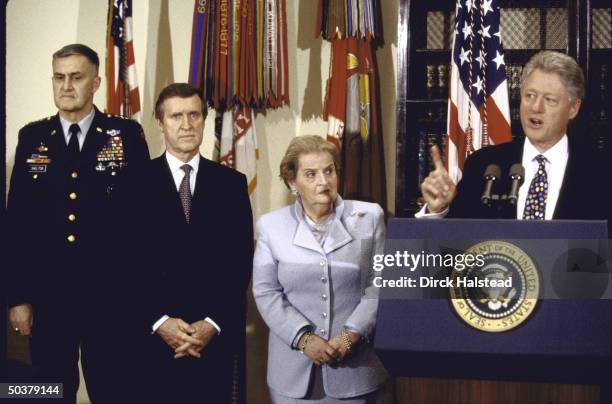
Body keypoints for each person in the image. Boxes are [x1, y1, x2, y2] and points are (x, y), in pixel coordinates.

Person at [6, 44, 150, 403]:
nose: (66, 85)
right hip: (48, 298)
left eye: (76, 77)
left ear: (96, 82)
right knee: (47, 391)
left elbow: (143, 223)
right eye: (59, 77)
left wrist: (139, 297)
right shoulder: (32, 138)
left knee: (115, 390)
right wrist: (18, 297)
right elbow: (17, 224)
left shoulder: (125, 136)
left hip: (111, 299)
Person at [131, 83, 253, 403]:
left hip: (211, 339)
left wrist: (212, 323)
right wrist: (160, 322)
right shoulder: (133, 183)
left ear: (204, 118)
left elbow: (239, 263)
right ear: (160, 122)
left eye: (194, 115)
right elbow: (123, 264)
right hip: (152, 339)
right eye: (176, 116)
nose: (186, 125)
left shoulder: (231, 184)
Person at [252, 135, 388, 403]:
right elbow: (266, 291)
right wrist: (303, 340)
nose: (323, 182)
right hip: (291, 375)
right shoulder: (271, 226)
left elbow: (379, 283)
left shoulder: (368, 218)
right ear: (292, 182)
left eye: (329, 171)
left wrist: (350, 336)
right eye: (311, 174)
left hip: (356, 371)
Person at [419, 50, 608, 223]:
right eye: (530, 96)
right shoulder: (484, 165)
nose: (535, 107)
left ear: (573, 109)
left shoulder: (601, 172)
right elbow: (454, 242)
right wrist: (439, 208)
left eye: (549, 100)